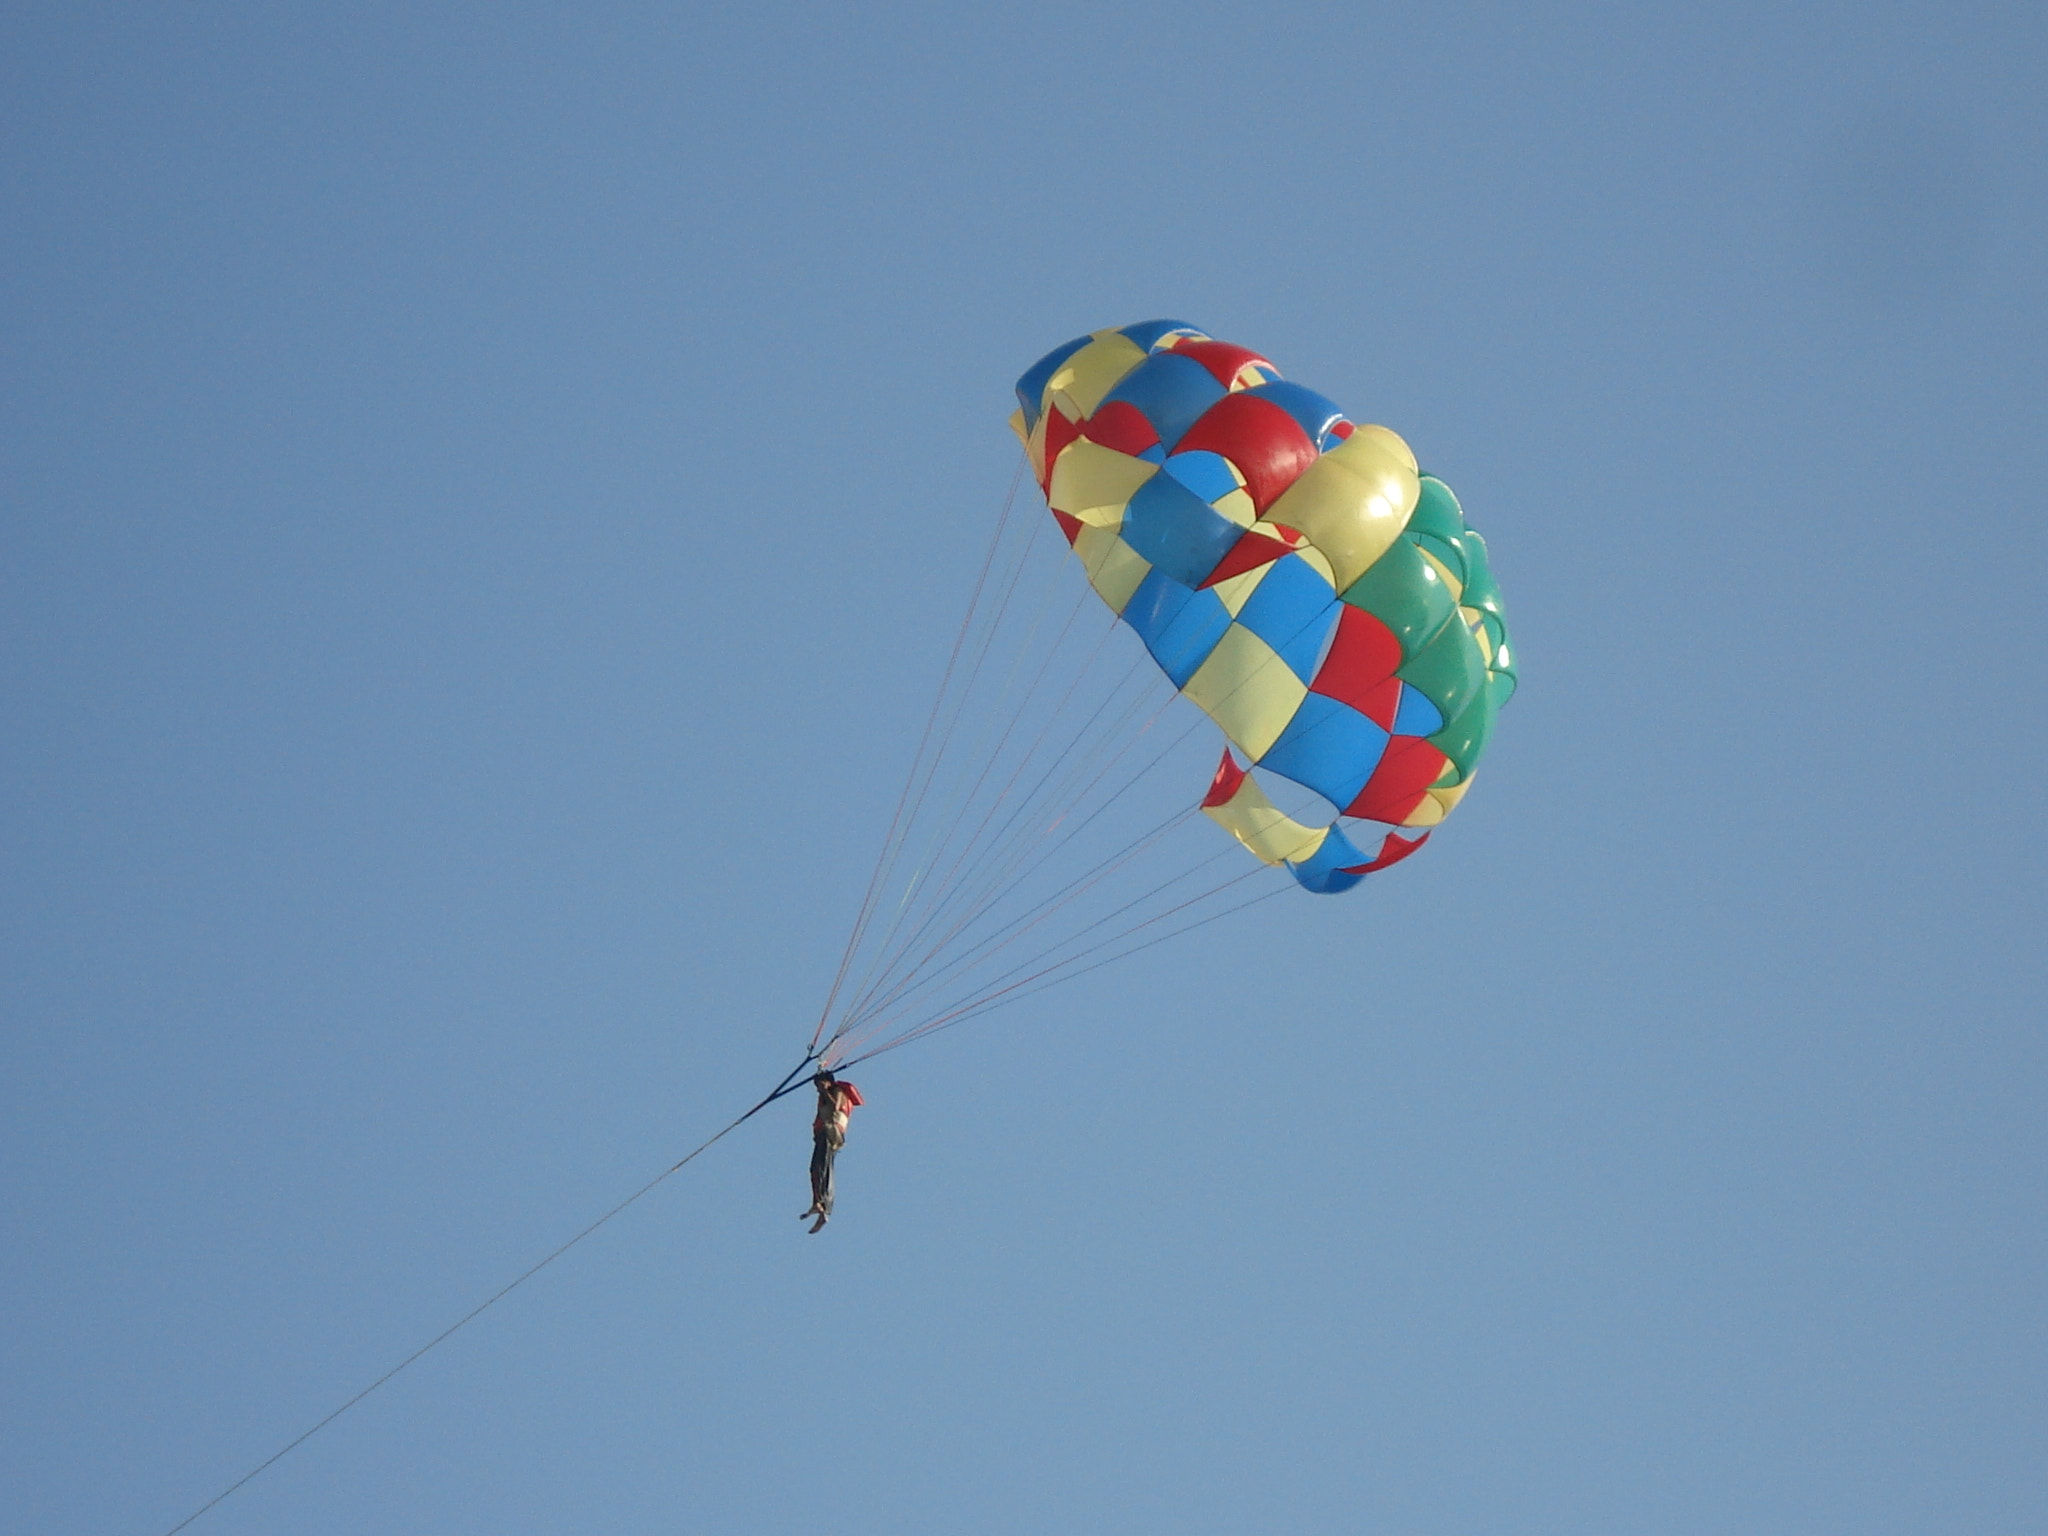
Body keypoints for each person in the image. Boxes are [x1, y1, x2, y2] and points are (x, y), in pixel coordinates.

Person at [801, 1069, 863, 1233]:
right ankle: (818, 1204)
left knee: (823, 1169)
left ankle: (824, 1207)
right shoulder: (825, 1093)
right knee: (815, 1168)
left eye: (818, 1085)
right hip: (824, 1134)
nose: (817, 1089)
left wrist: (823, 1091)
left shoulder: (837, 1090)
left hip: (830, 1133)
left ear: (827, 1081)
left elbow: (835, 1106)